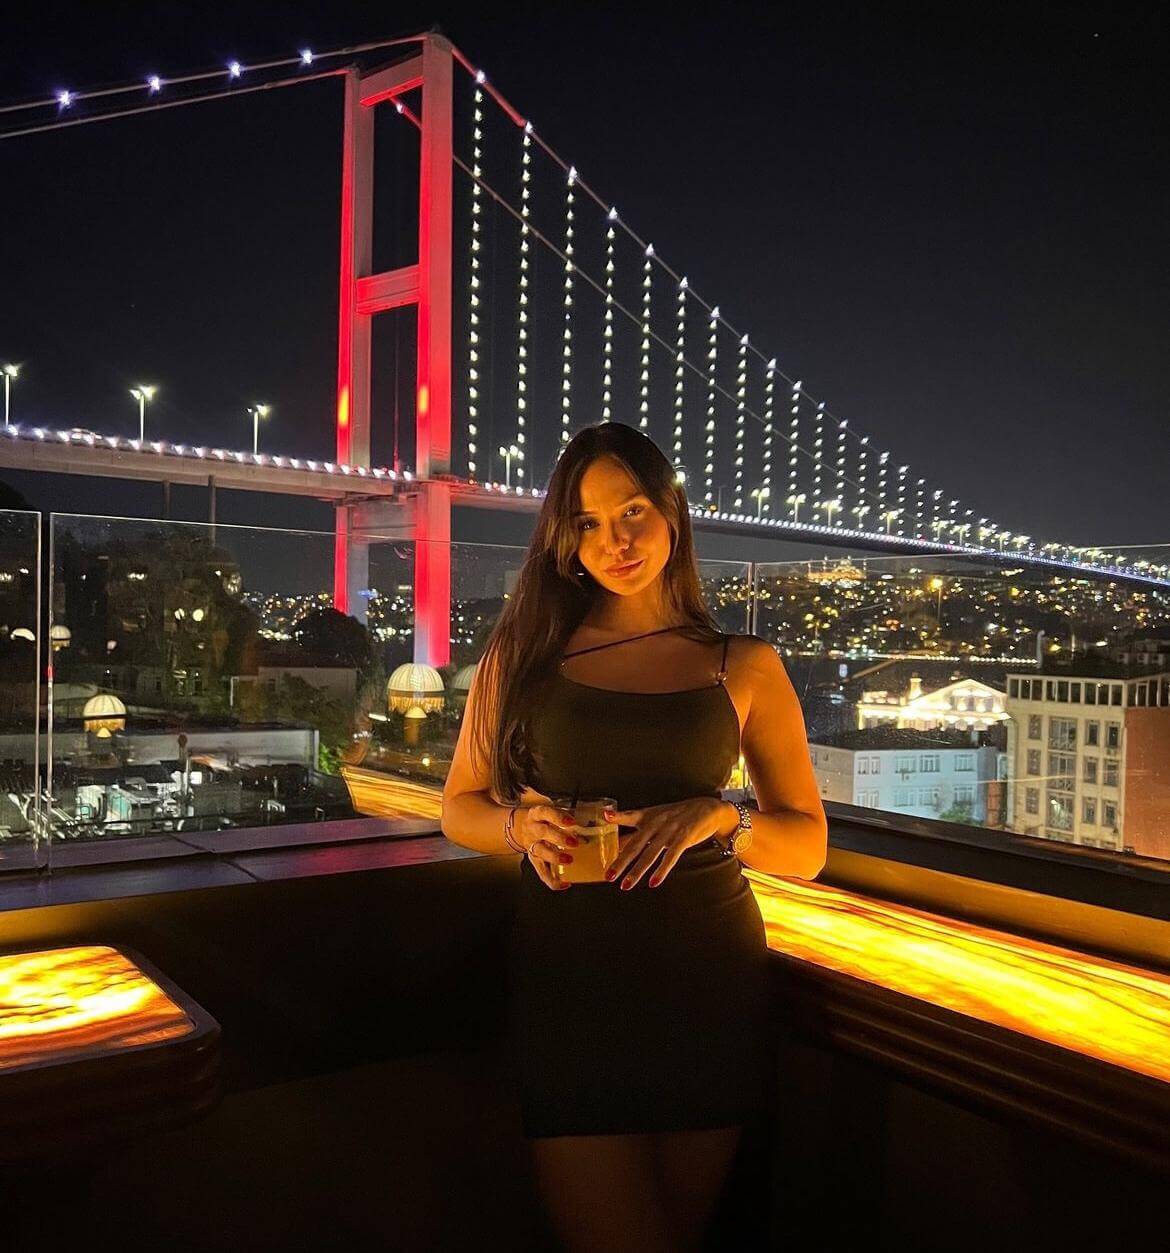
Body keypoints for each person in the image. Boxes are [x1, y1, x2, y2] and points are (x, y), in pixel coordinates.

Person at [442, 422, 828, 1252]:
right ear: (566, 540)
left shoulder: (742, 663)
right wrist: (518, 826)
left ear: (671, 512)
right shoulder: (524, 651)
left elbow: (806, 847)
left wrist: (722, 816)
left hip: (706, 979)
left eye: (632, 512)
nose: (613, 541)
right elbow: (459, 808)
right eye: (587, 523)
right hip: (570, 981)